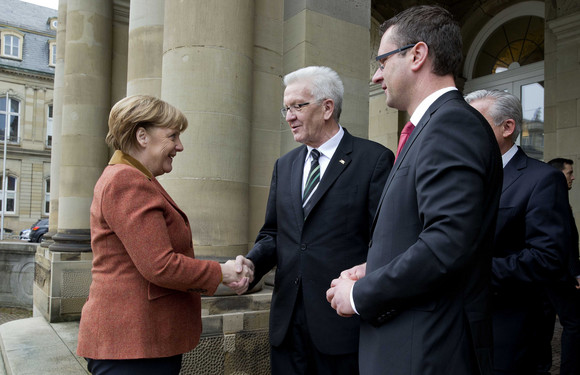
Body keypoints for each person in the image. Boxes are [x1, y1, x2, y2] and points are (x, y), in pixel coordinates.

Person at [326, 6, 502, 374]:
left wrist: (361, 295)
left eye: (383, 61)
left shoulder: (452, 124)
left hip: (427, 351)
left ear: (417, 55)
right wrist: (373, 266)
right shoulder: (433, 127)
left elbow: (447, 244)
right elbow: (421, 230)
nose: (376, 76)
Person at [233, 66, 394, 374]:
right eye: (286, 108)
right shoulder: (285, 165)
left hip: (342, 325)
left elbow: (384, 242)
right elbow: (273, 233)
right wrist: (252, 266)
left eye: (298, 106)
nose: (289, 116)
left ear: (327, 108)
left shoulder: (374, 160)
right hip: (287, 327)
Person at [76, 95, 250, 375]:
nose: (179, 146)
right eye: (172, 136)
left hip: (138, 343)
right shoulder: (127, 181)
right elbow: (160, 265)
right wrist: (223, 272)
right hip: (133, 345)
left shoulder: (134, 178)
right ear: (142, 136)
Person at [465, 89, 573, 374]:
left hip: (512, 331)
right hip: (460, 326)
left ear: (507, 127)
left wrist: (474, 272)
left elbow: (548, 258)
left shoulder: (542, 179)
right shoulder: (465, 178)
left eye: (474, 122)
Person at [536, 157, 580, 375]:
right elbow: (565, 239)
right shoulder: (554, 199)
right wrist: (575, 272)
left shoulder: (549, 197)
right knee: (574, 323)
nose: (573, 177)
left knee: (544, 324)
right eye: (569, 173)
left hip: (547, 275)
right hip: (557, 275)